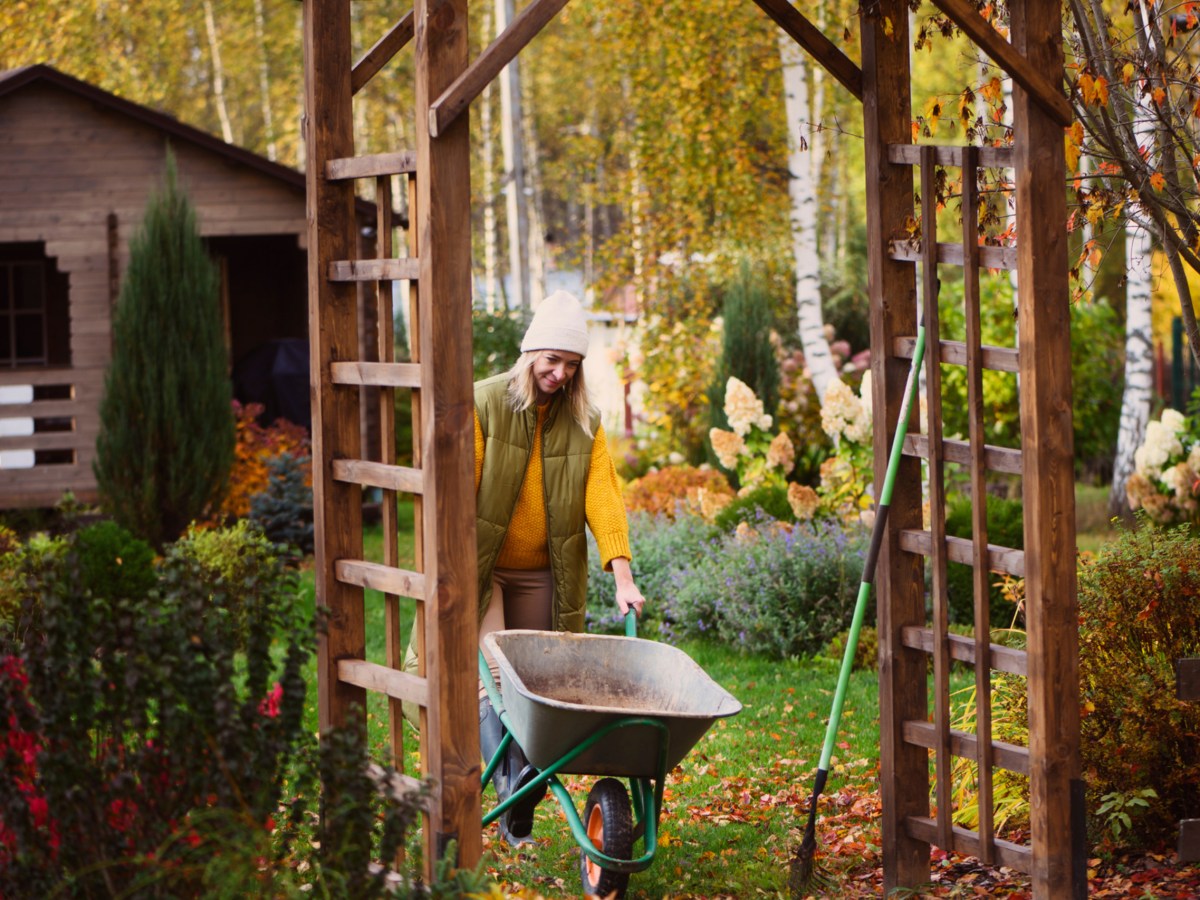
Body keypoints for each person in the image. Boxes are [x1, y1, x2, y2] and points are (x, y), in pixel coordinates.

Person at [475, 289, 646, 845]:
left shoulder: (583, 420)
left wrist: (622, 575)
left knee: (536, 683)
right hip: (483, 568)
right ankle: (514, 788)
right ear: (530, 355)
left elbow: (603, 496)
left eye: (572, 365)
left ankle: (518, 789)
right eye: (552, 361)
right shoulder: (484, 404)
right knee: (496, 674)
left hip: (544, 570)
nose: (560, 374)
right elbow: (456, 489)